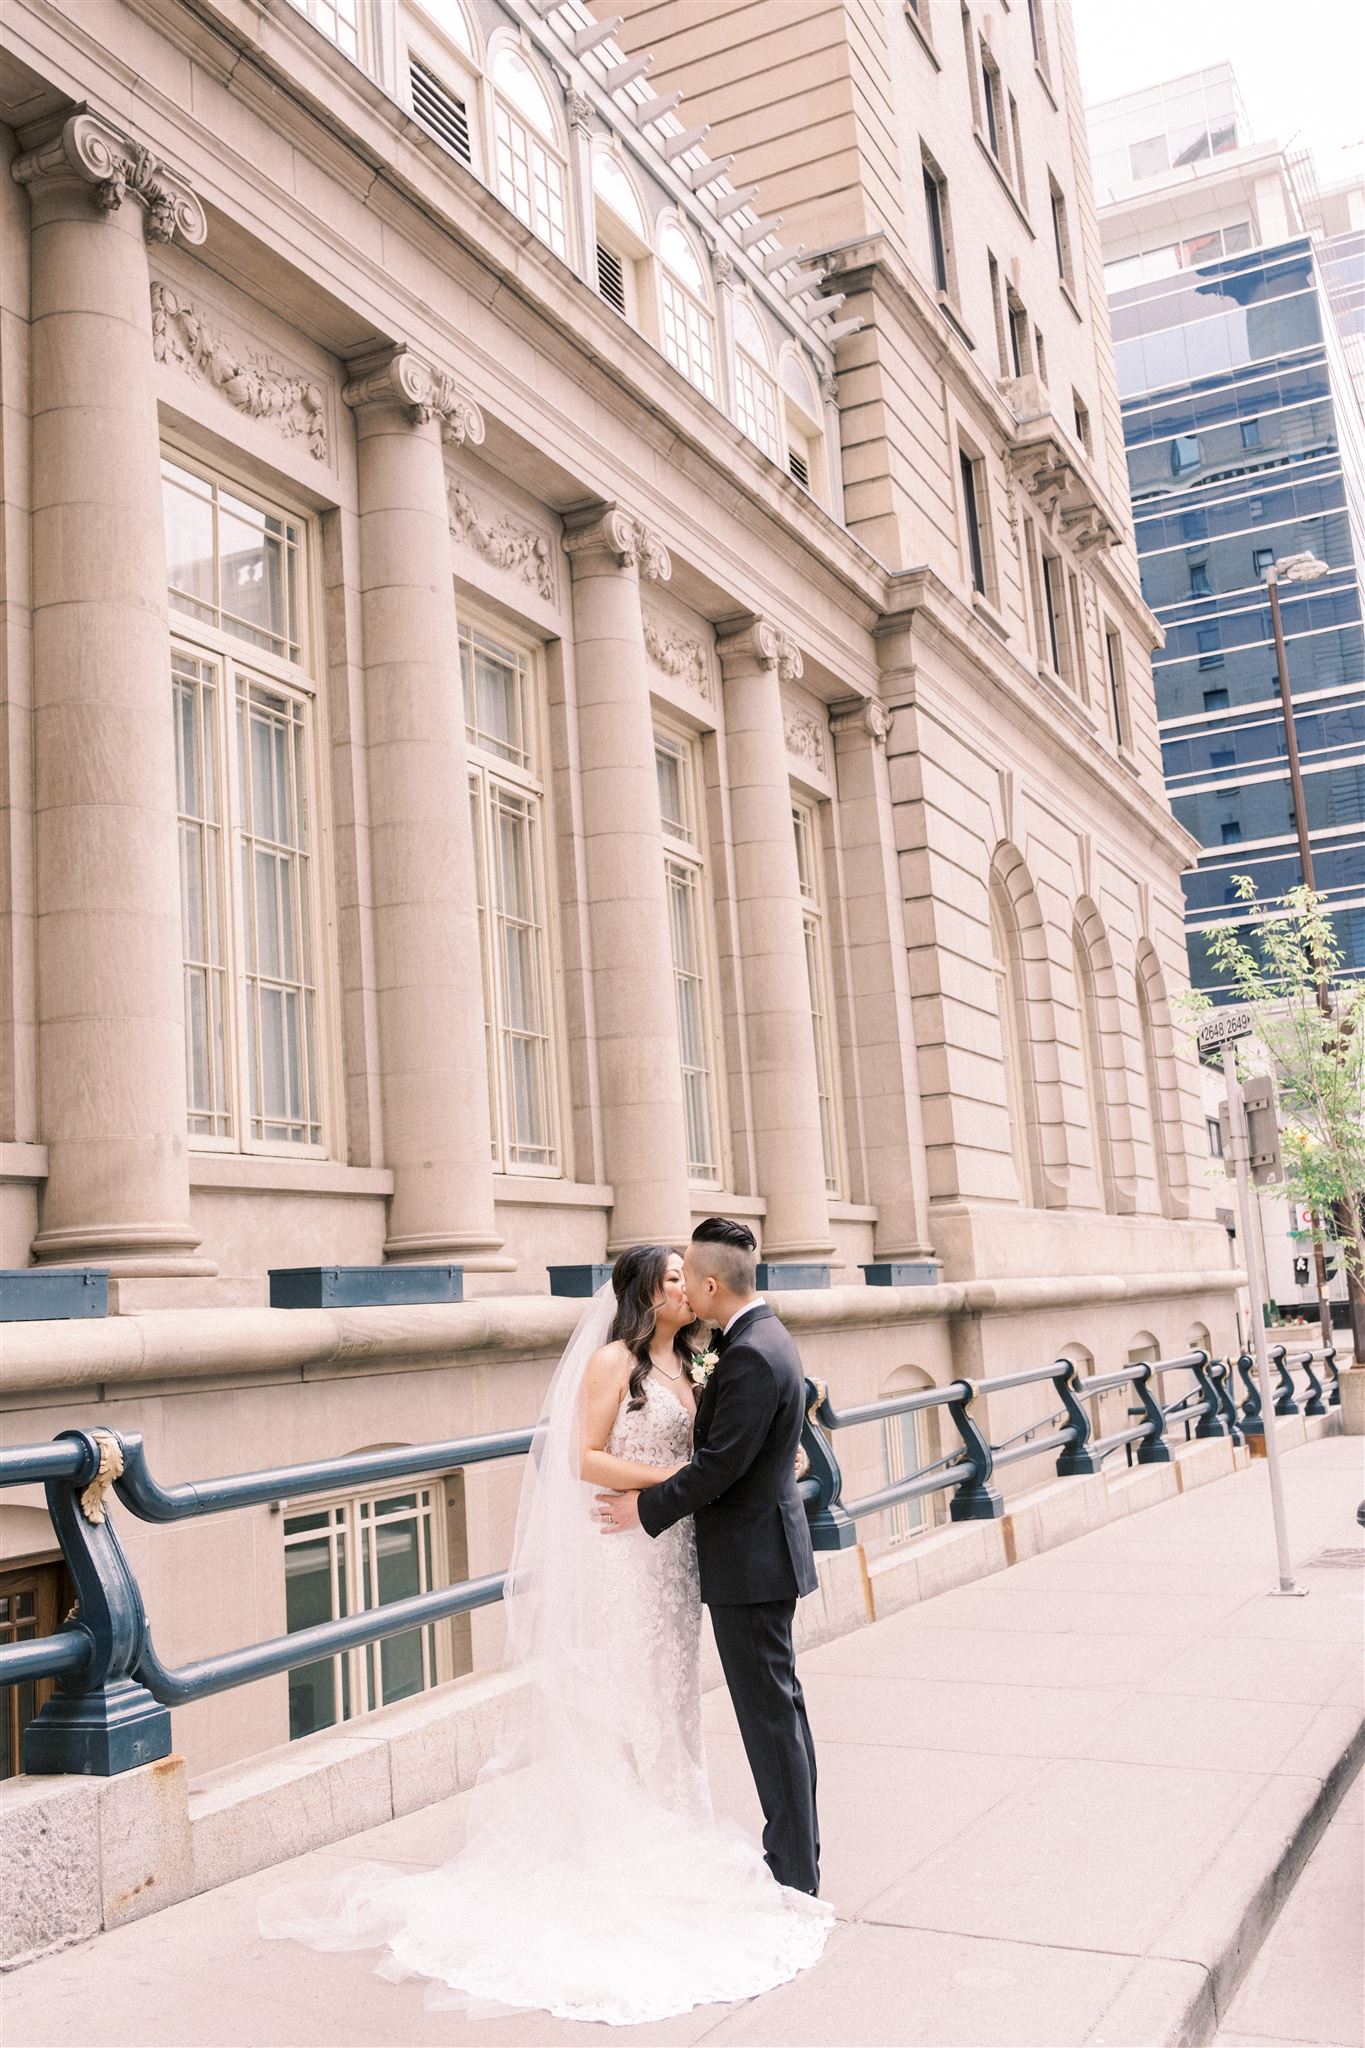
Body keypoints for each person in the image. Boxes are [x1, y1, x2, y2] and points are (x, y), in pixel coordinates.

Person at [259, 1242, 831, 2026]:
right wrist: (671, 1489)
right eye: (669, 1281)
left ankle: (678, 1829)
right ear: (645, 1293)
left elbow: (726, 1450)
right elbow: (585, 1458)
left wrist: (755, 1457)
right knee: (633, 1693)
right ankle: (631, 1846)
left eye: (685, 1280)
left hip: (678, 1557)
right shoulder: (612, 1365)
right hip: (631, 1549)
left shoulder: (704, 1362)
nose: (682, 1291)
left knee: (673, 1702)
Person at [597, 1216, 822, 1895]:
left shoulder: (750, 1352)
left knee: (769, 1720)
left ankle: (793, 1872)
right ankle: (795, 1855)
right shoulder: (752, 1339)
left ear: (709, 1282)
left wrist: (644, 1509)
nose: (683, 1291)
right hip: (753, 1557)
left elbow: (720, 1465)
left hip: (750, 1563)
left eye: (686, 1278)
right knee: (779, 1712)